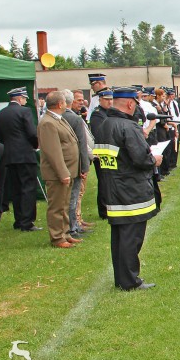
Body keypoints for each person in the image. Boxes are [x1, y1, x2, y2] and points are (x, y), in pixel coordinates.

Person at [94, 86, 162, 291]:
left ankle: (122, 277)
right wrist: (155, 160)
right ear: (131, 103)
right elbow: (141, 158)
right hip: (130, 190)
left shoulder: (105, 124)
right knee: (131, 237)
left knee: (120, 236)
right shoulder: (127, 126)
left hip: (113, 187)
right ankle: (130, 280)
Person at [38, 91, 81, 249]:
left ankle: (65, 233)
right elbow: (53, 151)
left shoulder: (57, 119)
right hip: (57, 173)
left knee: (64, 204)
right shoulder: (48, 122)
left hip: (68, 170)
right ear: (59, 104)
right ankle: (57, 237)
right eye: (64, 102)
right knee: (56, 206)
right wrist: (63, 173)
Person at [0, 87, 40, 231]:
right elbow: (32, 133)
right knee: (28, 188)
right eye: (25, 98)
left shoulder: (1, 114)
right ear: (20, 98)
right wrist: (35, 145)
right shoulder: (24, 111)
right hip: (25, 155)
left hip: (9, 155)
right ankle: (27, 222)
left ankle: (19, 220)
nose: (25, 101)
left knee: (16, 189)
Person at [62, 90, 93, 238]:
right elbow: (82, 143)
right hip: (75, 163)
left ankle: (73, 224)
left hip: (65, 162)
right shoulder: (73, 118)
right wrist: (84, 166)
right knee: (73, 196)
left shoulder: (60, 117)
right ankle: (73, 227)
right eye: (78, 100)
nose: (81, 102)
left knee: (70, 197)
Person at [89, 88, 113, 219]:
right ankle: (104, 210)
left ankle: (109, 206)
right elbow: (100, 133)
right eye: (107, 100)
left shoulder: (108, 112)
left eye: (111, 99)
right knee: (104, 181)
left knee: (109, 181)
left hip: (109, 151)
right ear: (100, 100)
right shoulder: (98, 114)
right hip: (102, 151)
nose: (110, 102)